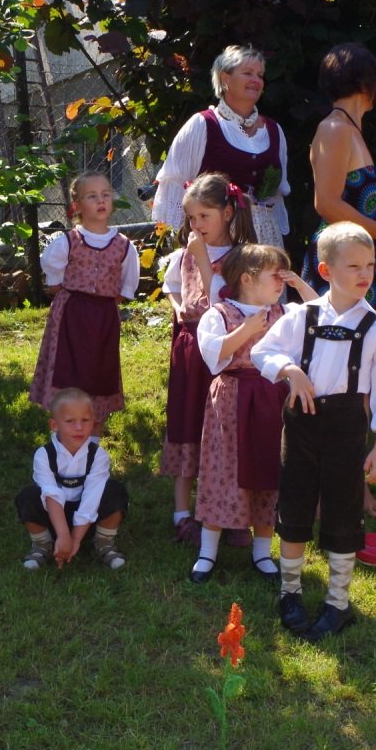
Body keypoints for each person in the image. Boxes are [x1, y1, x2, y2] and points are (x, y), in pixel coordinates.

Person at [252, 223, 376, 641]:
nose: (364, 273)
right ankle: (290, 592)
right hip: (301, 422)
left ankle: (338, 602)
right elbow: (262, 351)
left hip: (347, 426)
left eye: (370, 265)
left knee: (343, 508)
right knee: (295, 503)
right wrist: (290, 370)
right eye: (353, 266)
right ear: (325, 270)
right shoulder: (302, 316)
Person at [303, 43, 376, 523]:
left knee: (361, 377)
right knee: (337, 379)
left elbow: (355, 203)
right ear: (366, 82)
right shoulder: (335, 128)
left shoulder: (351, 130)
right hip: (343, 269)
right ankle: (329, 489)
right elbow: (327, 204)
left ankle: (349, 482)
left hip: (360, 266)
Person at [191, 244, 317, 585]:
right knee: (224, 469)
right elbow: (212, 352)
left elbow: (321, 313)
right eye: (275, 275)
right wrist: (245, 330)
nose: (281, 282)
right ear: (247, 279)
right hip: (232, 399)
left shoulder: (284, 312)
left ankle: (262, 551)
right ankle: (207, 552)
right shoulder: (219, 314)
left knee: (268, 470)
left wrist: (300, 284)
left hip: (271, 399)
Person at [160, 172, 254, 546]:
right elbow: (172, 286)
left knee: (225, 429)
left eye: (204, 216)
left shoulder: (242, 258)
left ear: (227, 213)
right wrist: (179, 306)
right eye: (191, 217)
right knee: (187, 423)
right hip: (191, 349)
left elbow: (222, 303)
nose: (196, 224)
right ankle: (182, 515)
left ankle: (231, 515)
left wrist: (202, 260)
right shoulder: (184, 254)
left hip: (226, 353)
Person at [29, 171, 139, 437]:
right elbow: (55, 283)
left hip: (103, 321)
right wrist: (79, 301)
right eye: (92, 196)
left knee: (99, 374)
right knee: (67, 370)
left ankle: (92, 446)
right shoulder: (67, 243)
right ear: (76, 206)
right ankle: (63, 440)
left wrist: (99, 304)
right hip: (71, 318)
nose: (101, 200)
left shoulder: (124, 246)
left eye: (105, 194)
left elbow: (124, 289)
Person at [154, 44, 291, 249]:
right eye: (248, 73)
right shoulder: (202, 125)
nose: (256, 80)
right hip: (216, 241)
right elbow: (175, 185)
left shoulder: (273, 130)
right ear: (225, 79)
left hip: (264, 241)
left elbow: (277, 194)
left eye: (260, 75)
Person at [14, 387, 129, 571]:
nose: (79, 427)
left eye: (85, 420)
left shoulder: (98, 455)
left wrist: (74, 540)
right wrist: (63, 535)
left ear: (93, 422)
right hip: (54, 518)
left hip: (88, 520)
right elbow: (51, 494)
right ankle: (44, 544)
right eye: (70, 421)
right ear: (54, 425)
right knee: (28, 496)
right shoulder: (44, 455)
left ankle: (103, 543)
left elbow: (92, 498)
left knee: (115, 490)